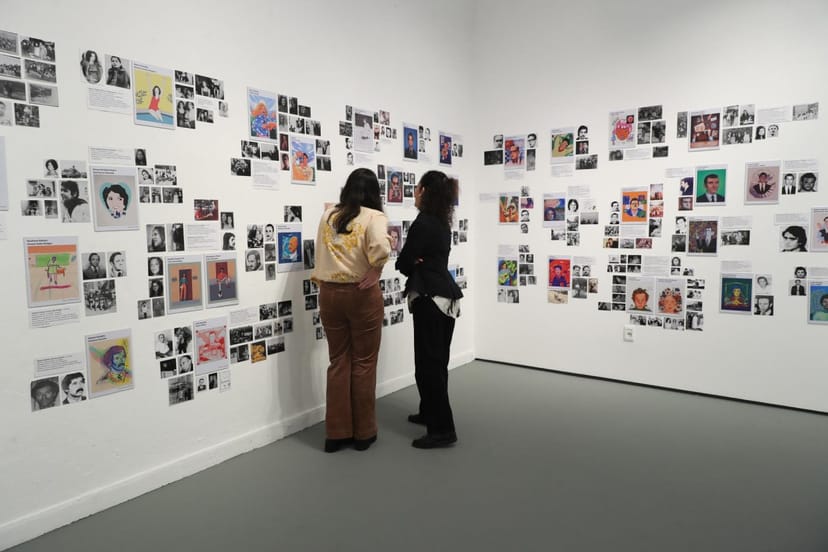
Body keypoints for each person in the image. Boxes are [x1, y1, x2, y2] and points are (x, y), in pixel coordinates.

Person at [312, 168, 391, 453]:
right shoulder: (374, 216)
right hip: (361, 294)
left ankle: (336, 433)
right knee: (364, 362)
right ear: (373, 192)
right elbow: (380, 247)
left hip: (329, 294)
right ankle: (364, 433)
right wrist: (377, 267)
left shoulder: (328, 215)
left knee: (338, 361)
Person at [394, 170, 462, 449]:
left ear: (423, 191)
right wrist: (416, 260)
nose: (414, 192)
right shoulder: (442, 222)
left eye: (417, 187)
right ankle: (429, 412)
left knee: (428, 365)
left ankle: (443, 429)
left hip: (430, 299)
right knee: (436, 363)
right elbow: (418, 259)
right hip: (445, 299)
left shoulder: (423, 223)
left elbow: (403, 263)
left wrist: (413, 261)